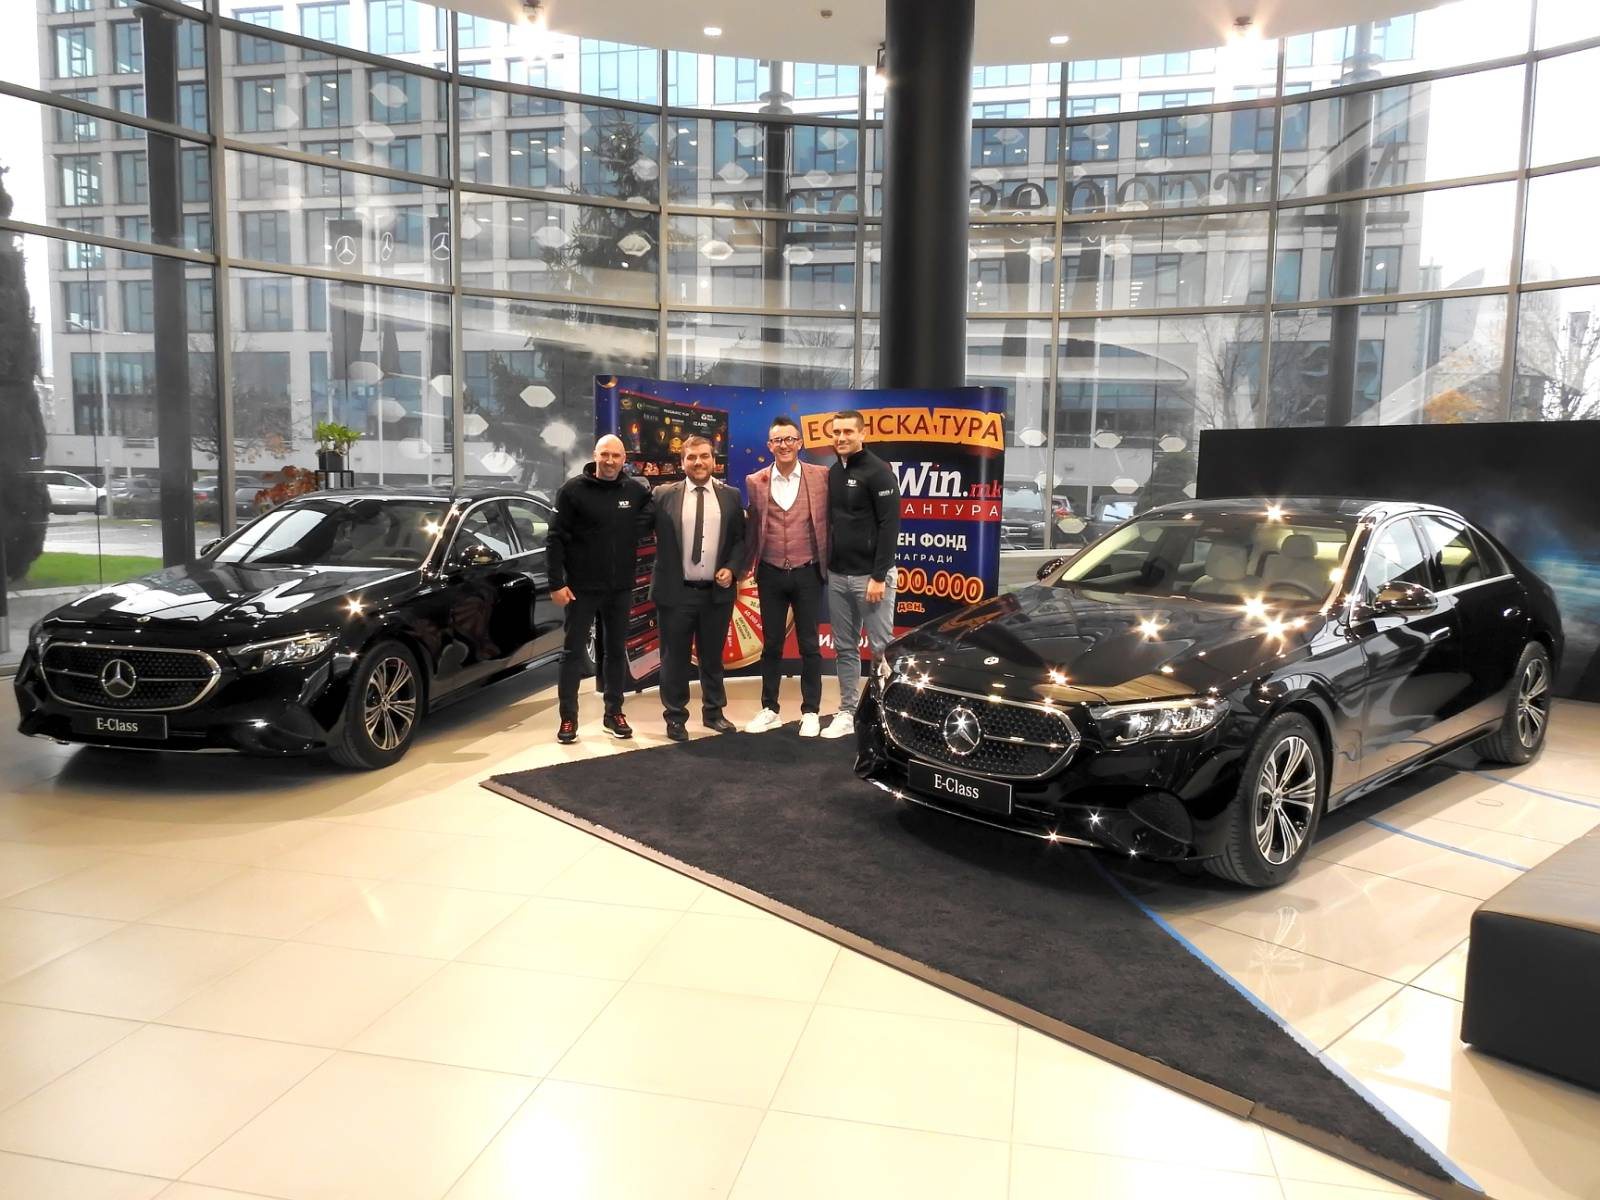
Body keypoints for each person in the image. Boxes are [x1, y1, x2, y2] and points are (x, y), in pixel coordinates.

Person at [546, 434, 653, 745]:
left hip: (620, 588)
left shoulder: (634, 491)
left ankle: (613, 713)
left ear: (624, 459)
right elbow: (555, 538)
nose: (610, 461)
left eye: (616, 456)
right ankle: (568, 718)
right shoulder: (572, 491)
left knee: (616, 651)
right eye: (605, 454)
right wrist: (556, 582)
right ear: (595, 455)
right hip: (580, 588)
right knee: (572, 653)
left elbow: (653, 515)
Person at [648, 435, 747, 742]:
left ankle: (714, 713)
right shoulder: (663, 495)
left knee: (712, 658)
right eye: (691, 457)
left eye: (704, 456)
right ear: (682, 463)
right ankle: (675, 718)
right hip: (675, 593)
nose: (698, 462)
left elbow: (740, 541)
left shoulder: (731, 496)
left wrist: (732, 568)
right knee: (674, 660)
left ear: (714, 460)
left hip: (716, 594)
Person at [741, 414, 831, 737]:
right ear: (769, 445)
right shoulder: (755, 481)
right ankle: (770, 709)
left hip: (808, 572)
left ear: (800, 443)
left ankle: (811, 711)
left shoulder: (821, 476)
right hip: (770, 573)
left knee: (809, 645)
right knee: (771, 645)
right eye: (778, 440)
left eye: (790, 439)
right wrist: (741, 568)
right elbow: (752, 528)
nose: (784, 445)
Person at [822, 410, 900, 739]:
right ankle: (847, 711)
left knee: (881, 649)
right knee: (845, 648)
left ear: (862, 433)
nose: (841, 437)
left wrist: (879, 576)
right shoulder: (833, 472)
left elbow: (890, 526)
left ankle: (885, 716)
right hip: (838, 576)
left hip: (872, 577)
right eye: (836, 432)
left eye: (847, 432)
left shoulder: (879, 472)